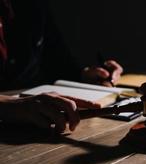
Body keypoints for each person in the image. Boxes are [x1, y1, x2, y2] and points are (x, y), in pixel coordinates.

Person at [0, 0, 123, 132]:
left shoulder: (34, 5)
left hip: (35, 122)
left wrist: (85, 74)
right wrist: (8, 105)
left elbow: (56, 61)